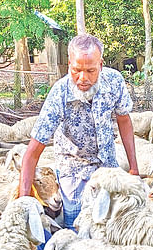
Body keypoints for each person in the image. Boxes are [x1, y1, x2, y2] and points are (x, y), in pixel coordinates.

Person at [17, 33, 139, 229]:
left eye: (90, 70)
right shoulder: (59, 93)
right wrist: (24, 202)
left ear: (100, 65)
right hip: (74, 172)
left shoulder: (114, 81)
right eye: (76, 70)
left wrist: (133, 168)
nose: (82, 78)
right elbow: (32, 153)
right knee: (75, 230)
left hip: (107, 168)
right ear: (69, 65)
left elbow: (124, 120)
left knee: (112, 226)